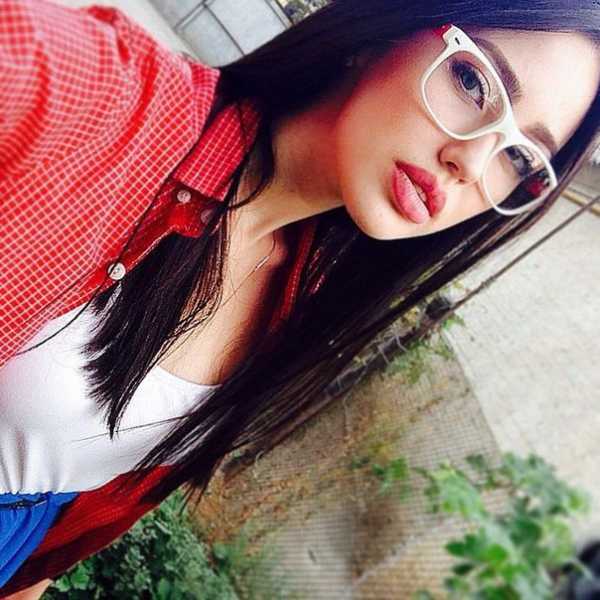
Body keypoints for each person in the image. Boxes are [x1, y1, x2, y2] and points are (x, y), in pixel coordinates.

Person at [1, 0, 599, 596]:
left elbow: (48, 537)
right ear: (384, 29)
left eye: (519, 156)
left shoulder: (295, 308)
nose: (470, 161)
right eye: (473, 81)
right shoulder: (110, 104)